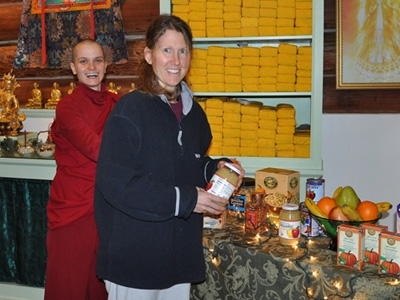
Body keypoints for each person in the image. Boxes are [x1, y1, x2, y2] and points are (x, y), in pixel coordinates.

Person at [94, 15, 245, 300]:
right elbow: (117, 184)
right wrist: (189, 199)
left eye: (183, 50)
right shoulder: (130, 110)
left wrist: (215, 168)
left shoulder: (195, 114)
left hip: (178, 255)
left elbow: (188, 163)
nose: (176, 60)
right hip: (135, 258)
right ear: (149, 55)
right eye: (167, 50)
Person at [44, 39, 120, 300]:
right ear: (73, 67)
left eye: (98, 60)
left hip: (106, 207)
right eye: (83, 61)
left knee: (99, 288)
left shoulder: (117, 104)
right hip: (73, 210)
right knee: (68, 287)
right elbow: (95, 148)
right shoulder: (67, 106)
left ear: (106, 65)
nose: (92, 66)